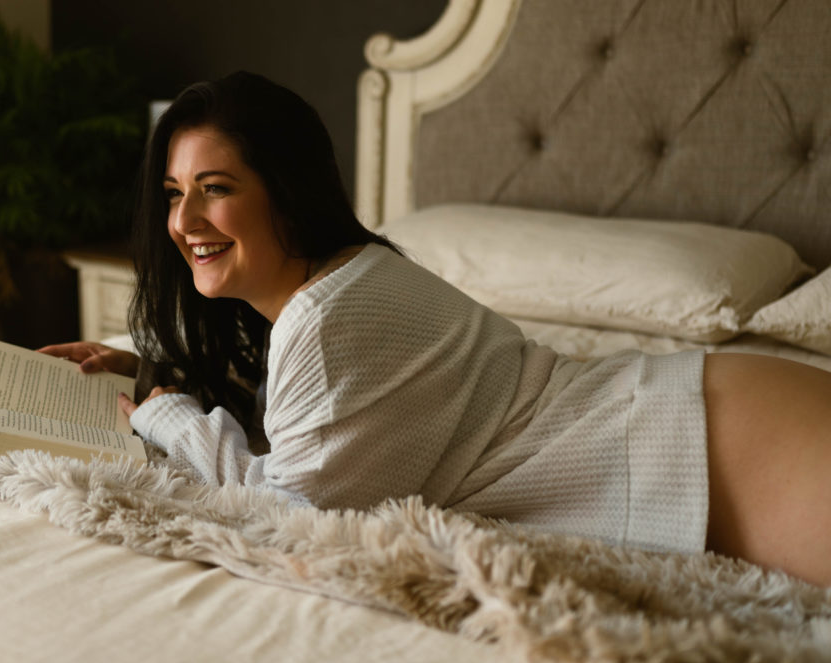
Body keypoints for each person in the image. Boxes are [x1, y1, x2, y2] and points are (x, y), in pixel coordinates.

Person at [40, 72, 831, 587]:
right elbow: (318, 421)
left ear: (284, 190)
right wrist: (148, 371)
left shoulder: (327, 314)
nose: (183, 221)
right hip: (709, 414)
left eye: (215, 189)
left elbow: (287, 517)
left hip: (723, 449)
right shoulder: (350, 279)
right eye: (175, 192)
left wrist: (164, 415)